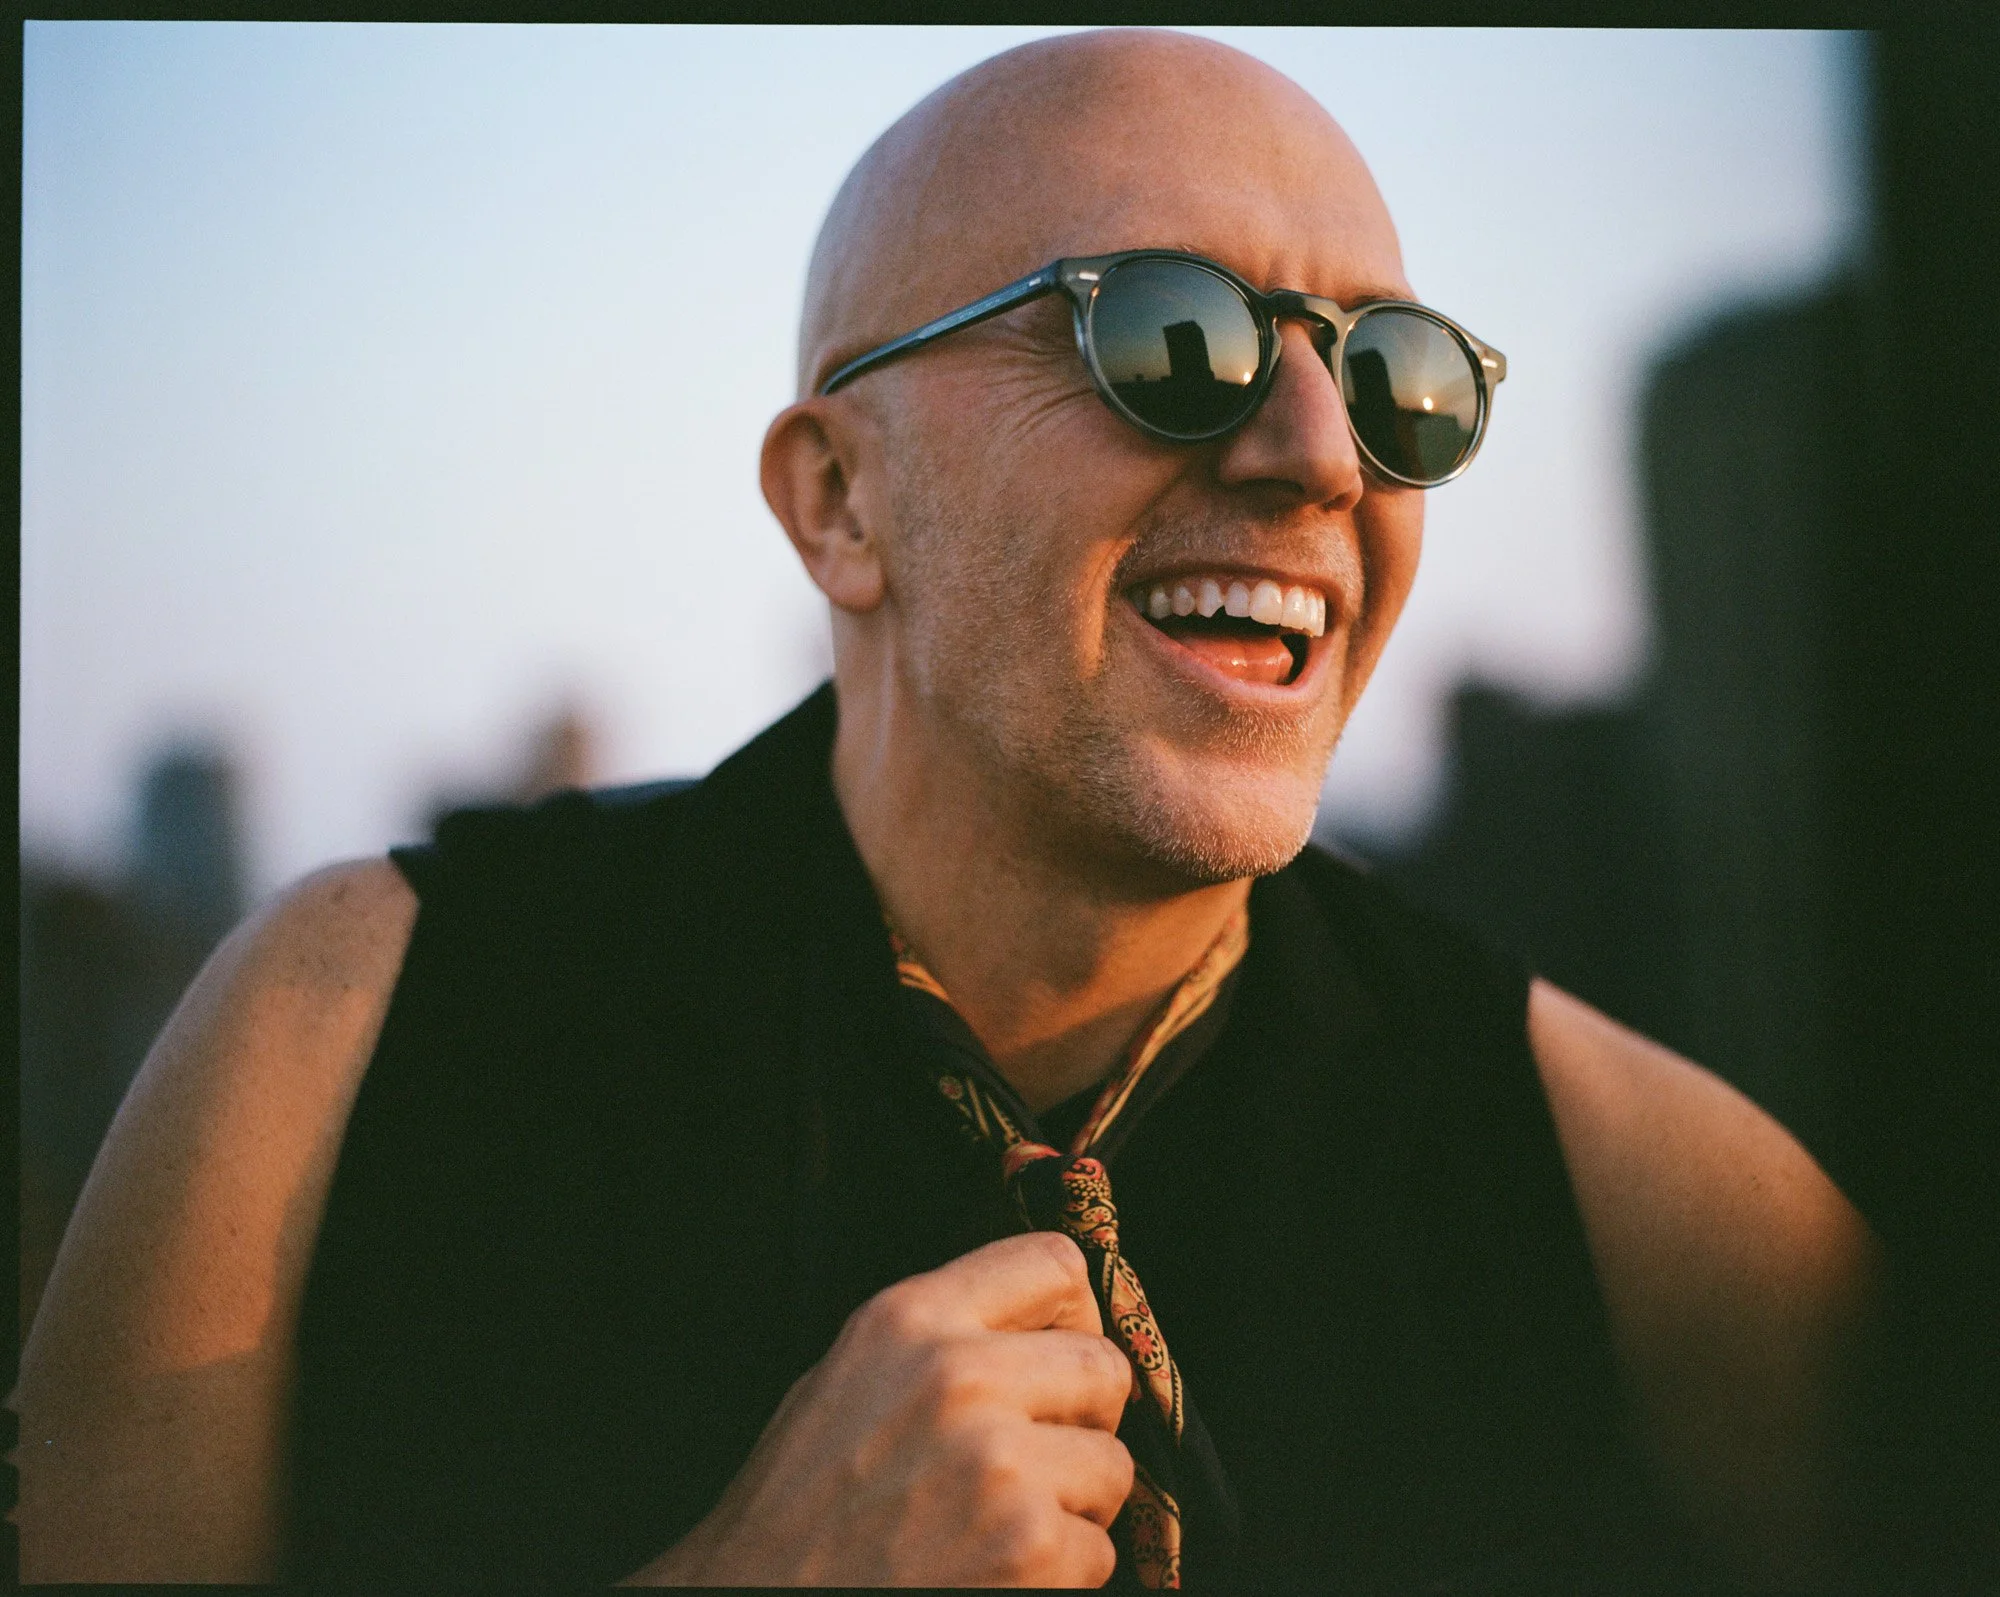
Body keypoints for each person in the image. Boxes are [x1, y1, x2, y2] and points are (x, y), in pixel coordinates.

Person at [14, 29, 1878, 1588]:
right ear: (840, 502)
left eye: (1397, 379)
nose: (1319, 457)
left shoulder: (1663, 1220)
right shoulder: (347, 1042)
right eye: (1170, 339)